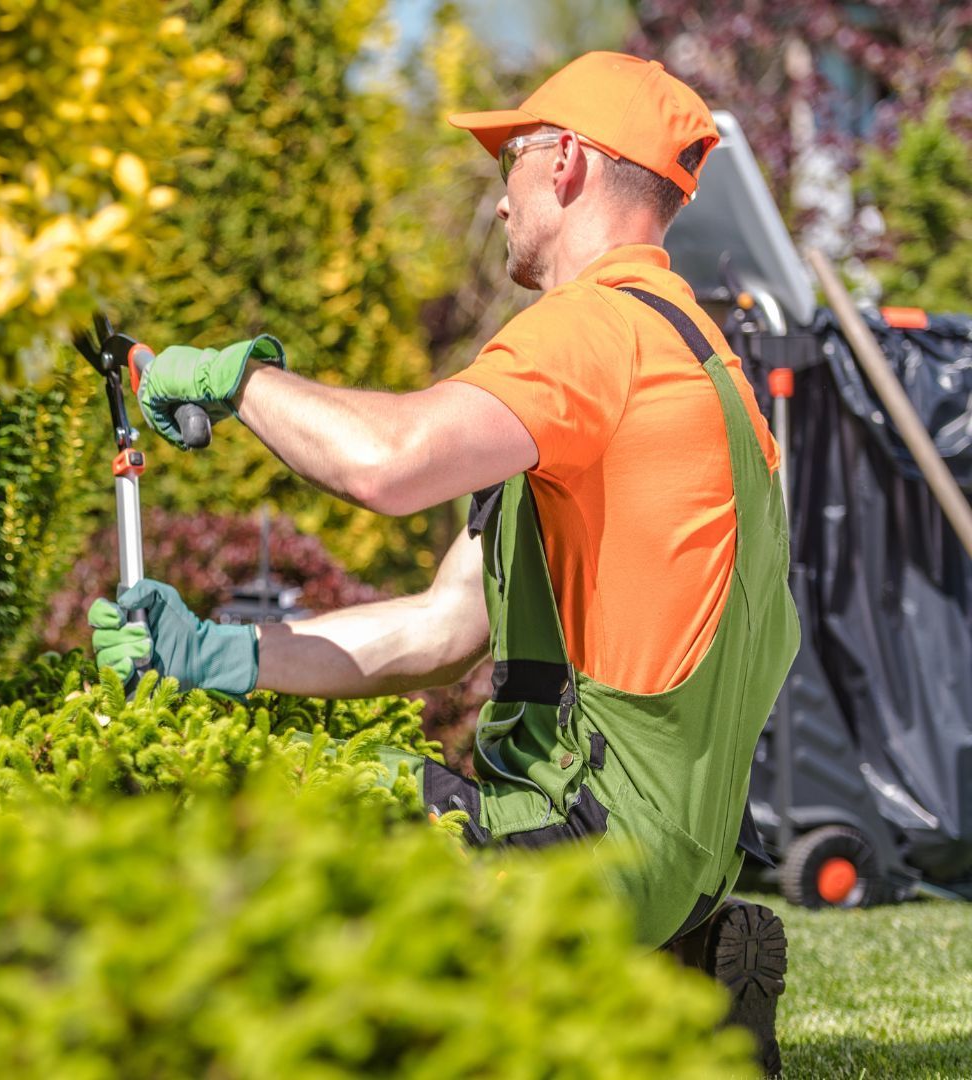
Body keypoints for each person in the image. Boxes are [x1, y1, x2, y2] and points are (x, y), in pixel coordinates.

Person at [87, 51, 795, 1072]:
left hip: (583, 843)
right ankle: (678, 982)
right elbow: (440, 630)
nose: (498, 200)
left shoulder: (595, 332)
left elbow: (386, 463)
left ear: (568, 166)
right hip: (673, 855)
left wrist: (235, 380)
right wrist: (211, 649)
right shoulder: (699, 360)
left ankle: (633, 996)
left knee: (295, 817)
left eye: (507, 159)